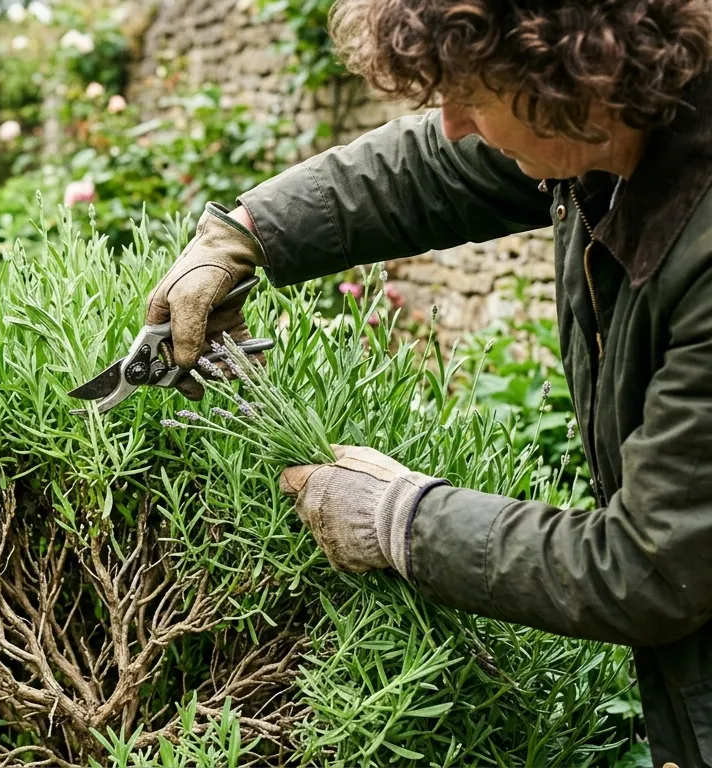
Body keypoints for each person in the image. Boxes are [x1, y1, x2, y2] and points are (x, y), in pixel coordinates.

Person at [143, 1, 712, 765]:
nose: (452, 122)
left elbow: (649, 566)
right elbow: (436, 167)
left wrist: (400, 520)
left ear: (577, 80)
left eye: (471, 98)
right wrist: (248, 232)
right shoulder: (618, 127)